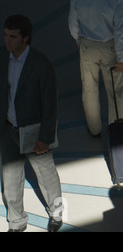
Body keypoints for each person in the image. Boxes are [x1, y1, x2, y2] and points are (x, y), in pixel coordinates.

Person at [0, 15, 63, 232]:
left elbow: (50, 104)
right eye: (6, 35)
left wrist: (45, 138)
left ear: (26, 38)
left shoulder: (41, 64)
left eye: (13, 37)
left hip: (34, 132)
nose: (7, 41)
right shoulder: (3, 58)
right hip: (8, 130)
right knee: (10, 180)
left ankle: (56, 213)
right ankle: (16, 223)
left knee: (46, 175)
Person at [68, 0, 123, 138]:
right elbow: (120, 30)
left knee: (90, 90)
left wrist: (79, 40)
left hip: (87, 46)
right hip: (110, 47)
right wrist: (122, 58)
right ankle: (116, 128)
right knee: (115, 90)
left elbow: (72, 23)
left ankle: (94, 130)